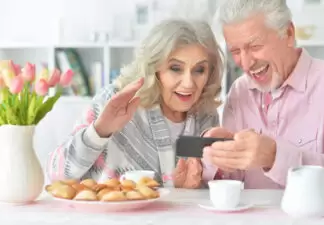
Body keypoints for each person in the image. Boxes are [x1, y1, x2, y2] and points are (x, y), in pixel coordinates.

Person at [47, 19, 224, 189]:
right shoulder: (117, 100)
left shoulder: (205, 115)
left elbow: (209, 189)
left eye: (199, 70)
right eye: (175, 68)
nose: (188, 83)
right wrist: (99, 131)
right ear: (154, 69)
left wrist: (191, 185)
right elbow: (57, 174)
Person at [202, 0, 324, 197]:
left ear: (289, 34)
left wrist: (275, 157)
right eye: (235, 51)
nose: (246, 63)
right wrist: (219, 160)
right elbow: (233, 183)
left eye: (255, 46)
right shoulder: (240, 91)